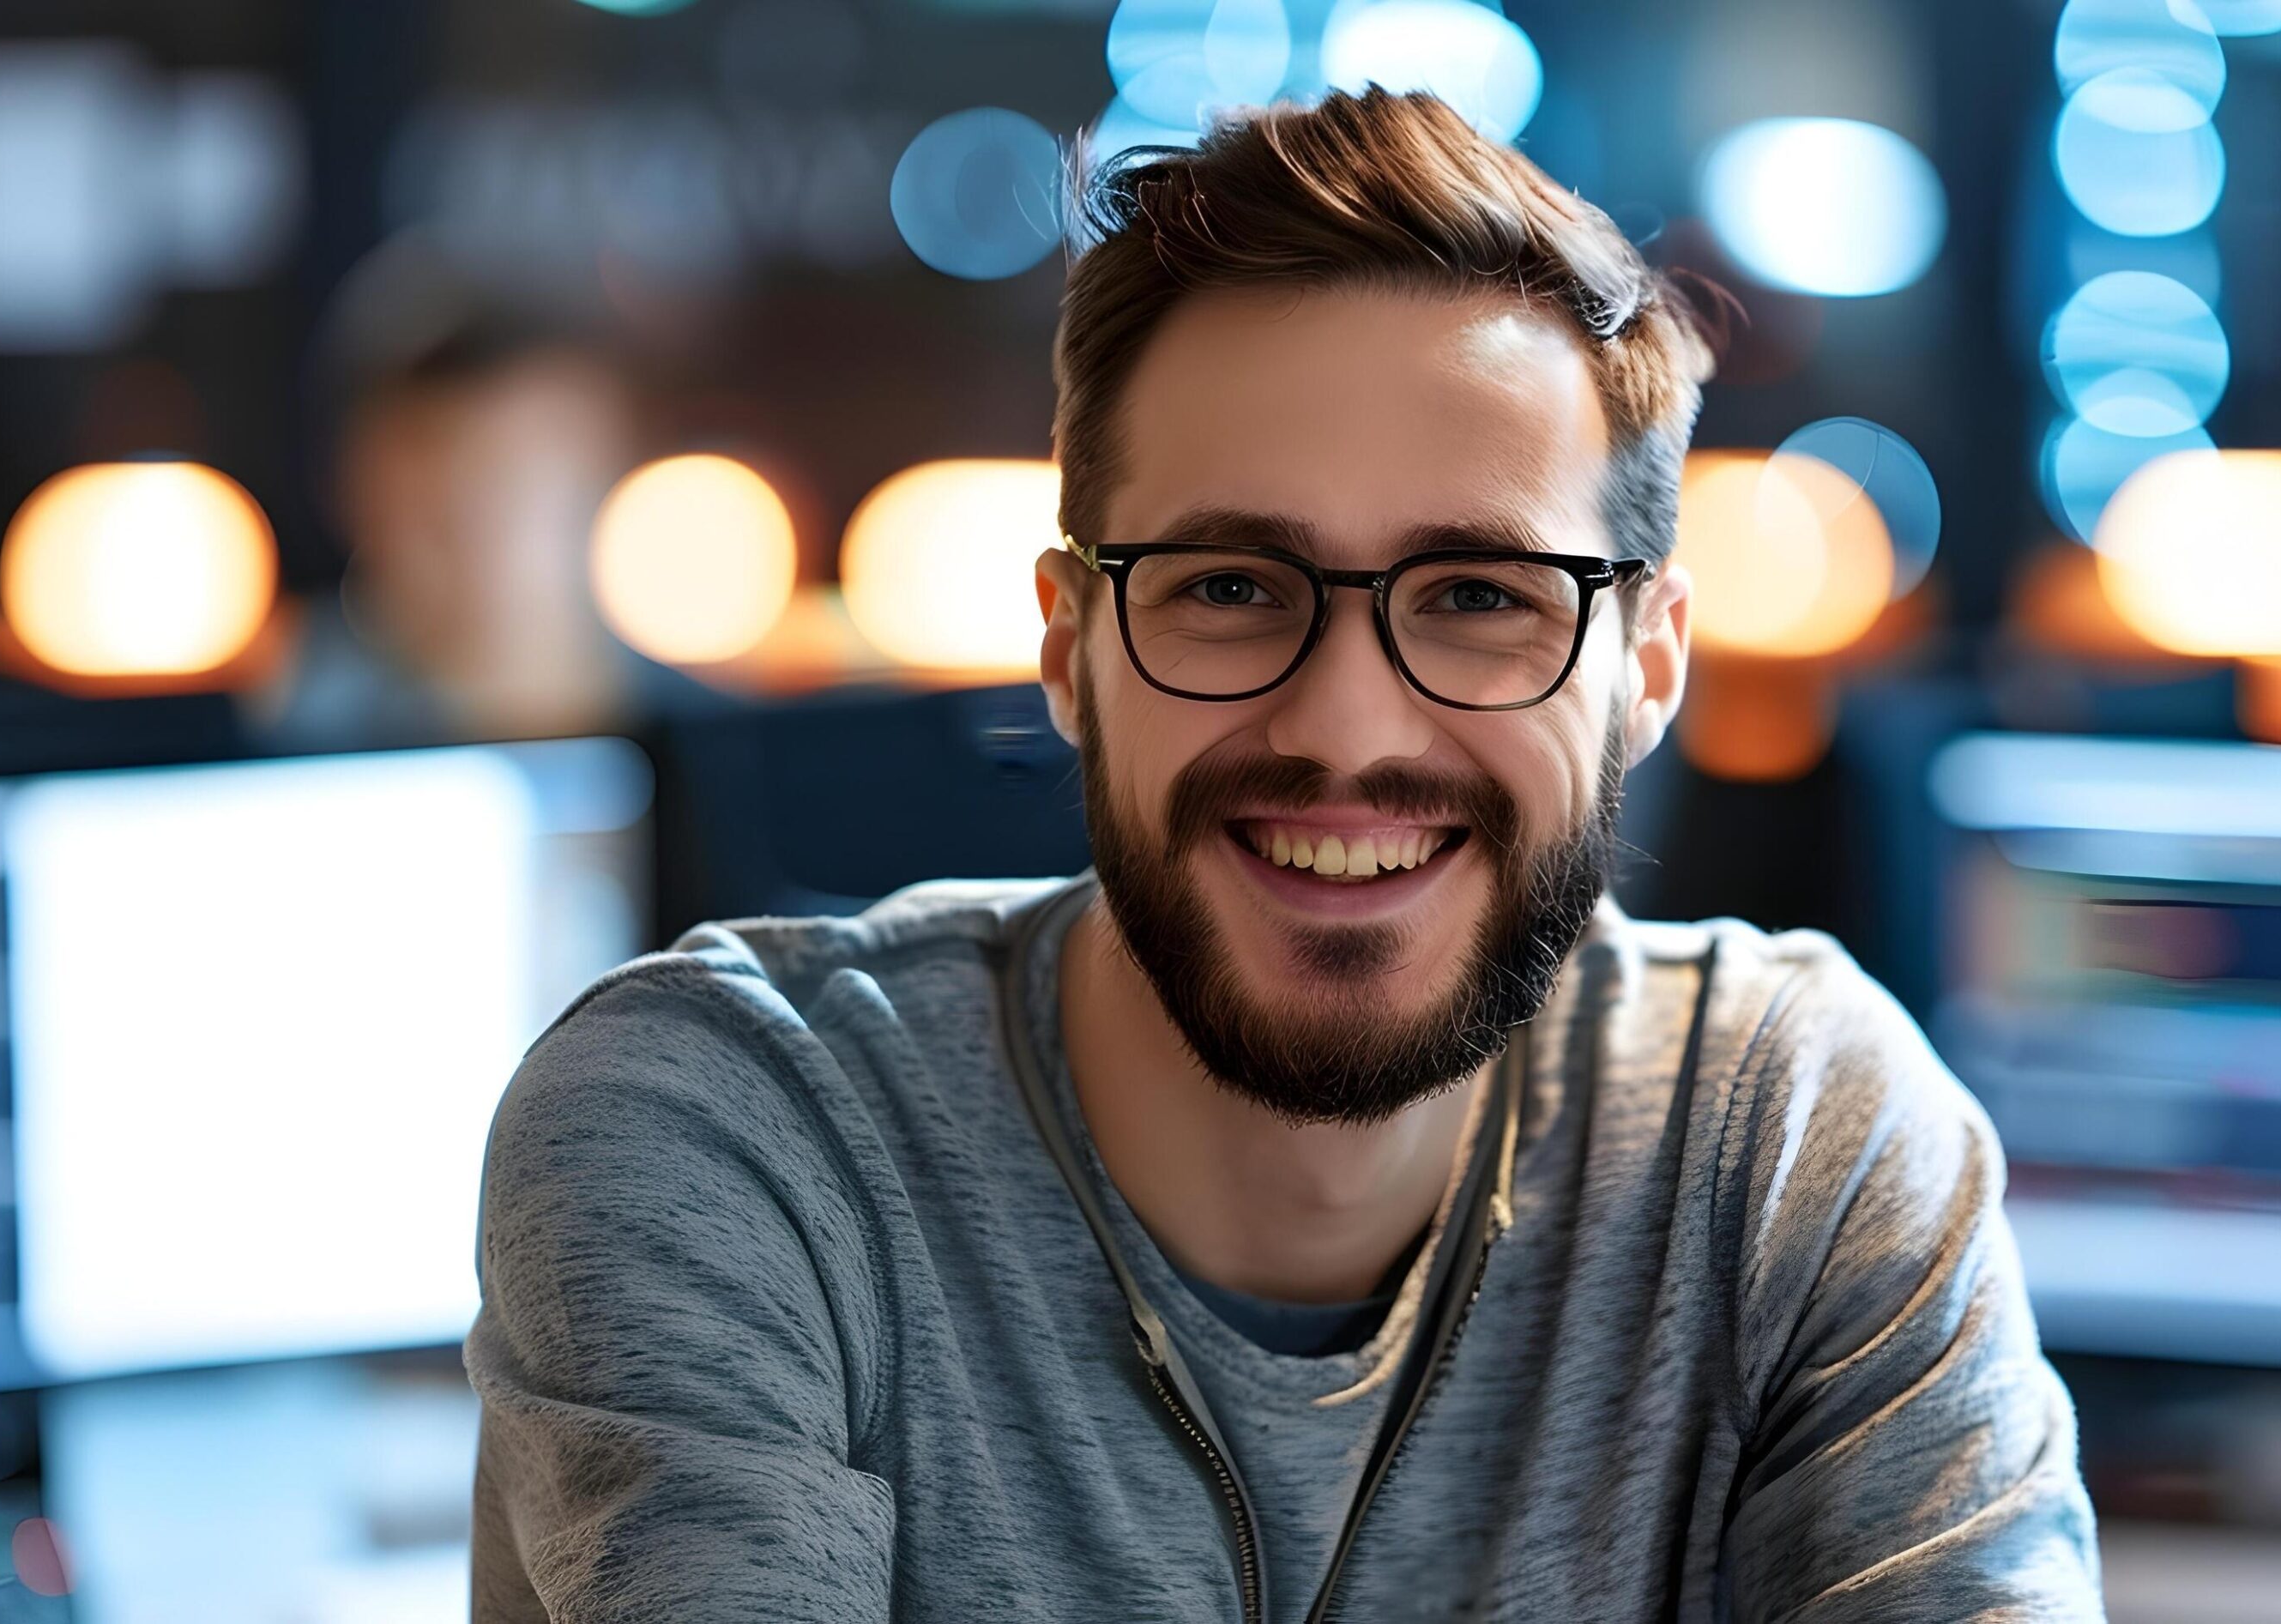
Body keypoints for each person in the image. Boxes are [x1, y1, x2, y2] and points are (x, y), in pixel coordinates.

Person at [465, 93, 2098, 1619]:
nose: (1347, 726)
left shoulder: (1789, 1139)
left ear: (1650, 664)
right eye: (1230, 587)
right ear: (1066, 642)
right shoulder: (738, 1134)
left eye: (1478, 598)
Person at [261, 318, 697, 750]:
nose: (476, 542)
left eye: (511, 485)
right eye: (430, 504)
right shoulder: (290, 733)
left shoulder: (717, 731)